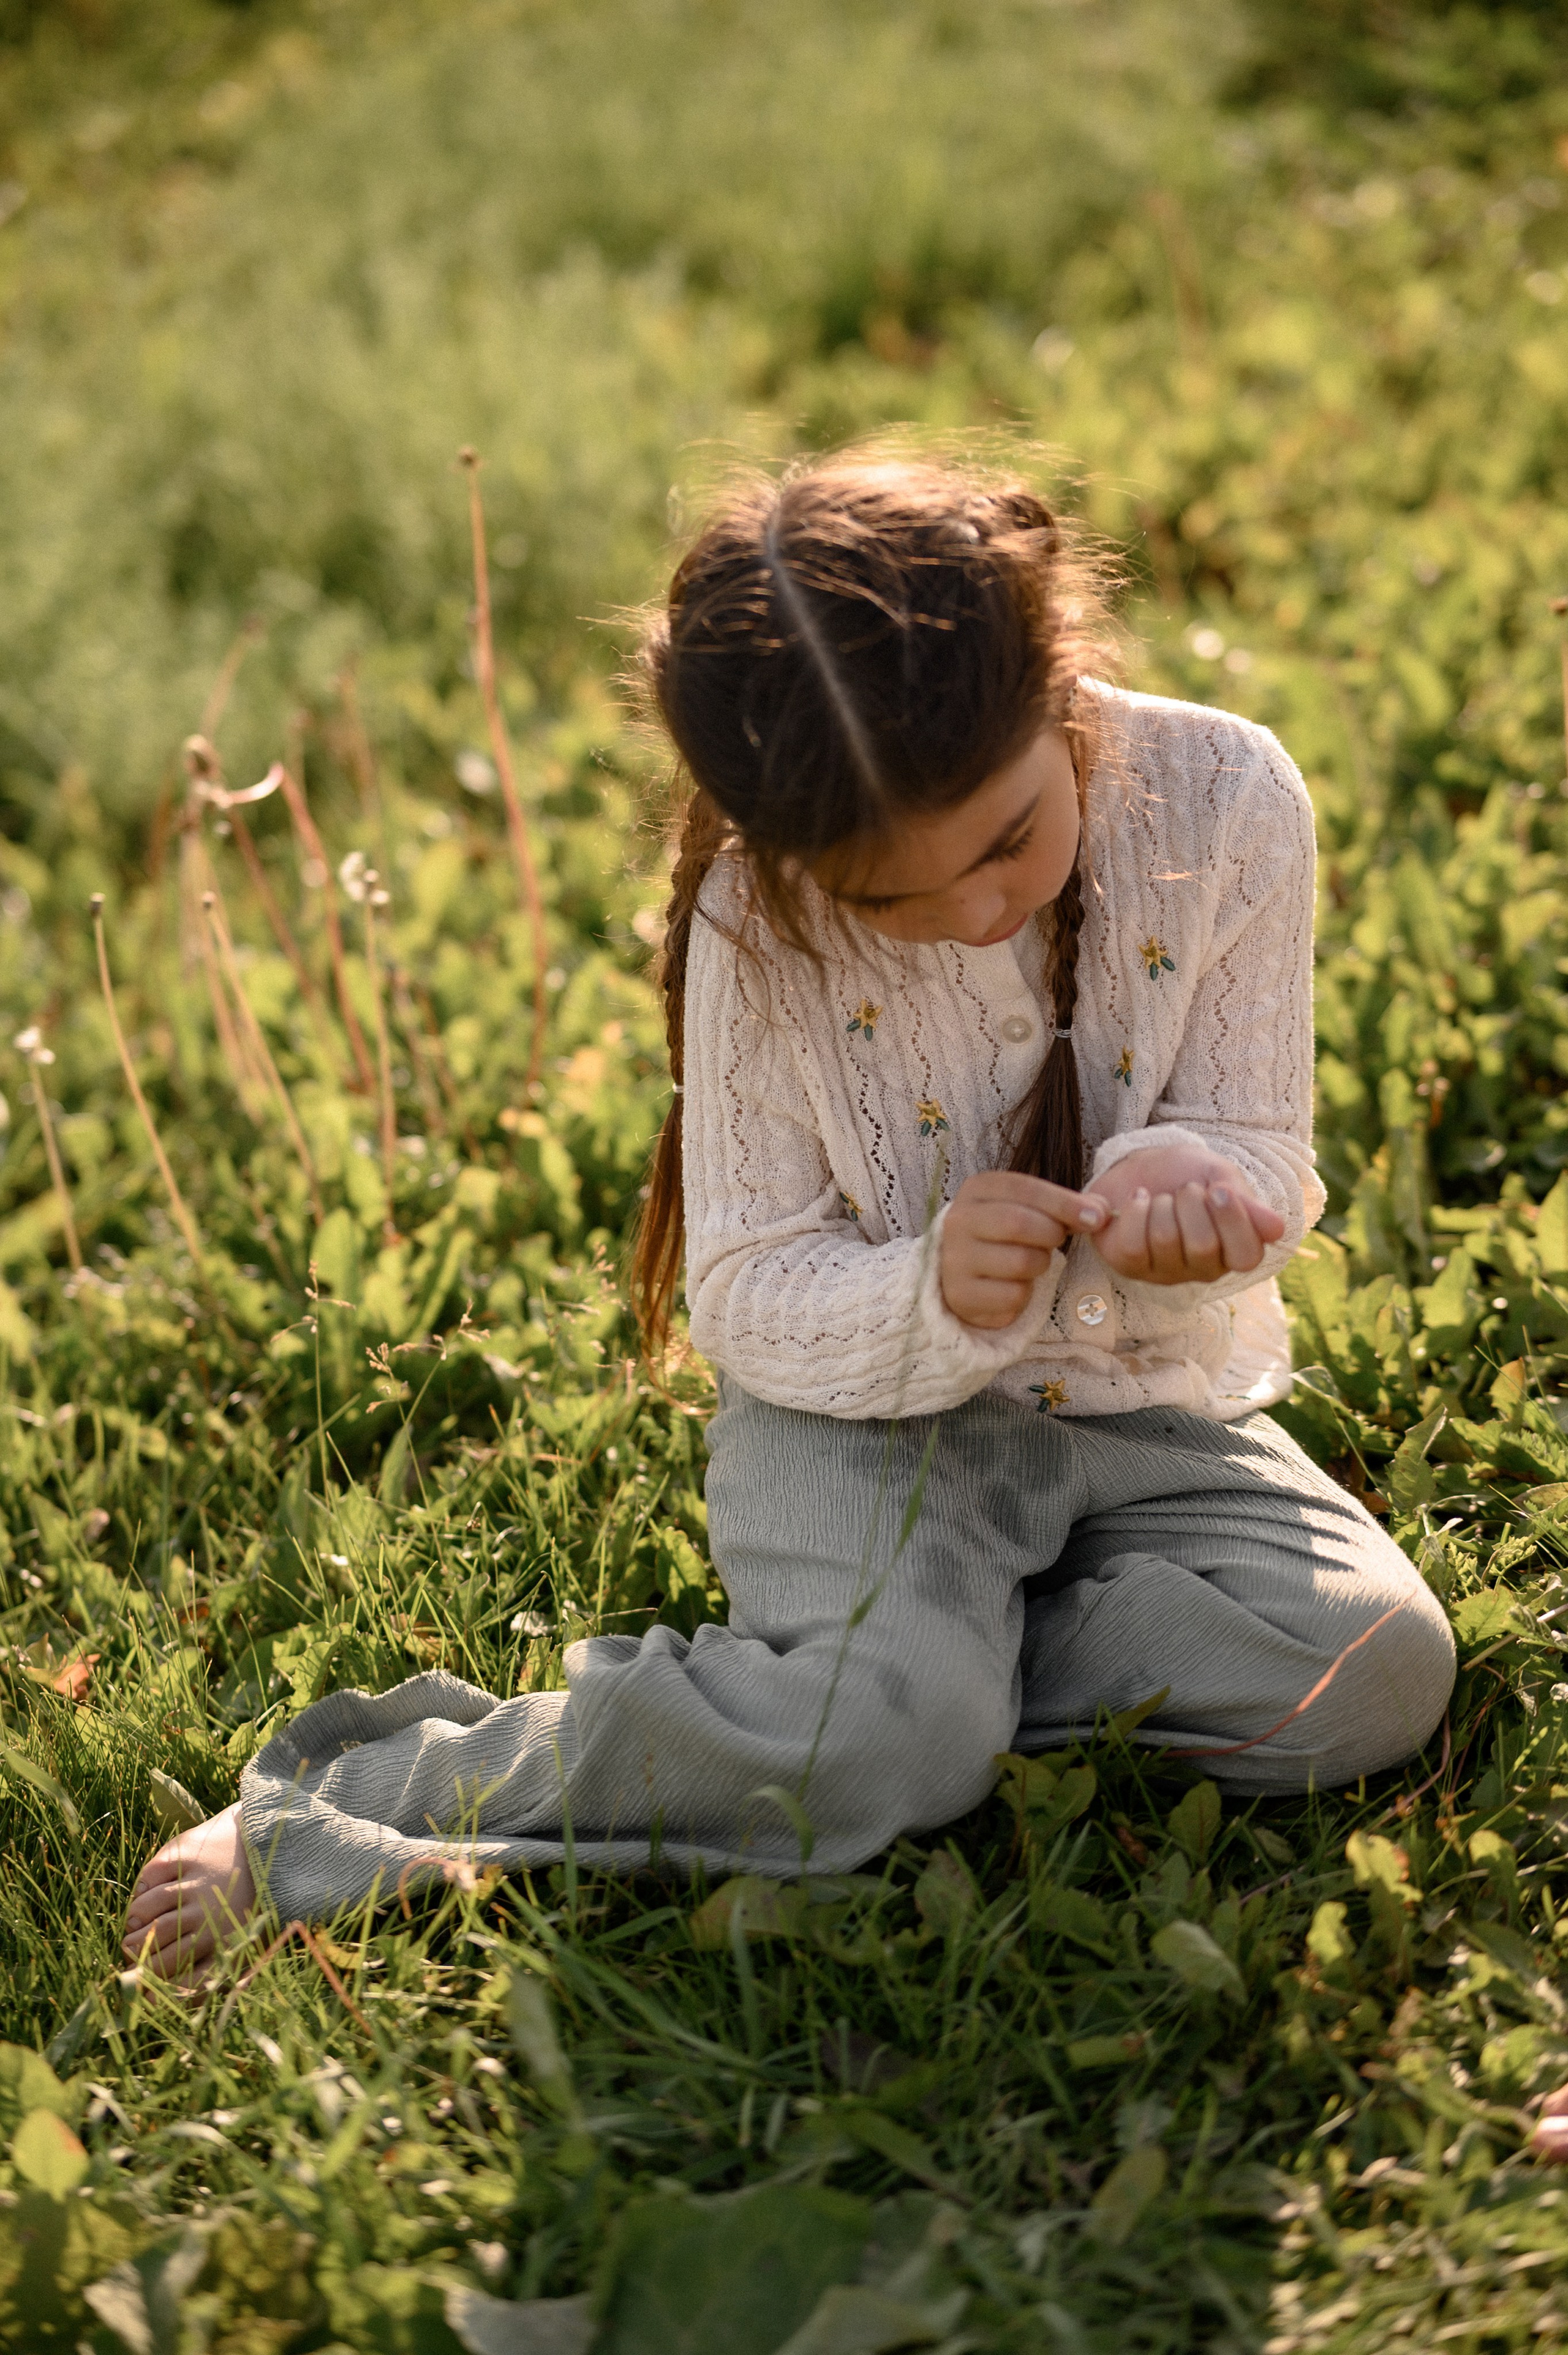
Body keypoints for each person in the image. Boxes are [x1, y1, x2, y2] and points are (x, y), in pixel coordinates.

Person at [123, 451, 1456, 1982]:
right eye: (892, 902)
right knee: (883, 1736)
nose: (972, 912)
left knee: (1369, 1669)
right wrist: (928, 1298)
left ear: (1059, 667)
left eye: (1009, 837)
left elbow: (1261, 1145)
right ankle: (375, 1801)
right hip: (864, 1429)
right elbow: (749, 1292)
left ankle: (906, 1690)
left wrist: (1207, 1193)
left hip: (1147, 1404)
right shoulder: (753, 926)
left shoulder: (1225, 797)